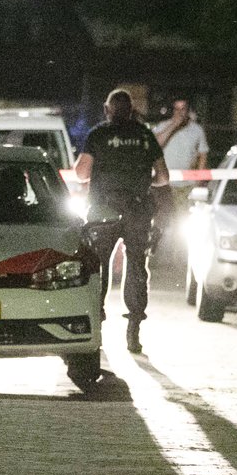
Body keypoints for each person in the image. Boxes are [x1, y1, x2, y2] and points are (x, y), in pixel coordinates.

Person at [74, 88, 170, 355]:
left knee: (98, 266)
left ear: (107, 110)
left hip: (103, 211)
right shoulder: (144, 135)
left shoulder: (98, 134)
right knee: (137, 265)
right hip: (137, 211)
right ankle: (134, 331)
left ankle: (96, 328)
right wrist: (142, 181)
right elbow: (163, 177)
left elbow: (81, 173)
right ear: (131, 111)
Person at [154, 96, 208, 173]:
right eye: (176, 109)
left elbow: (203, 154)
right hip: (165, 177)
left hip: (187, 178)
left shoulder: (197, 130)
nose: (179, 112)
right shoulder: (163, 126)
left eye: (183, 109)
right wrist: (173, 125)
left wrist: (199, 176)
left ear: (188, 111)